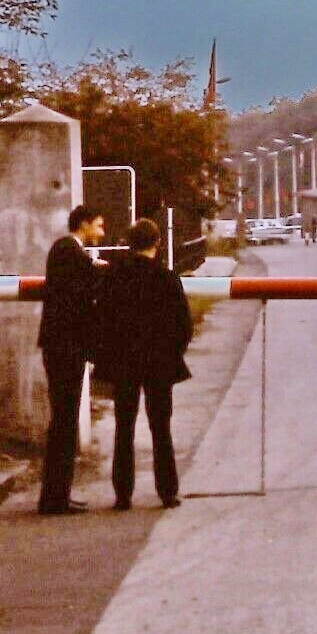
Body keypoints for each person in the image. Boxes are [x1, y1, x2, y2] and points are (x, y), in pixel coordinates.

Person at [93, 219, 192, 510]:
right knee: (161, 428)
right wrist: (172, 351)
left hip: (124, 362)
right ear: (157, 242)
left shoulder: (114, 277)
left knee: (124, 427)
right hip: (159, 363)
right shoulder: (167, 278)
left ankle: (123, 494)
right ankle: (167, 491)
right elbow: (183, 326)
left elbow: (103, 320)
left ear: (130, 243)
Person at [36, 205, 107, 515]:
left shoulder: (68, 252)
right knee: (64, 422)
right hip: (66, 348)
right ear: (84, 224)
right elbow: (79, 289)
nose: (102, 232)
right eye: (99, 226)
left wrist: (92, 264)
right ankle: (54, 498)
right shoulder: (68, 251)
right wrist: (96, 268)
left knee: (65, 422)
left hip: (63, 346)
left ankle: (57, 494)